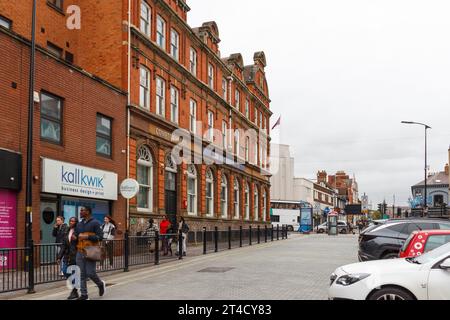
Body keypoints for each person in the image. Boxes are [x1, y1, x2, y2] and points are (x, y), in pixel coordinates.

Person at [74, 206, 106, 300]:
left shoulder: (95, 222)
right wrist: (75, 237)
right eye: (80, 210)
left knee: (90, 273)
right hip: (80, 251)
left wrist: (87, 237)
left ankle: (100, 284)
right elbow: (76, 234)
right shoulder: (79, 224)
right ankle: (84, 295)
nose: (80, 212)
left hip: (91, 250)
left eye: (82, 210)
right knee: (82, 274)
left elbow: (100, 237)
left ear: (88, 212)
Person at [57, 217, 79, 300]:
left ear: (76, 222)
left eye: (73, 221)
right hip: (67, 256)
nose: (71, 222)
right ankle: (75, 286)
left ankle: (75, 291)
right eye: (70, 221)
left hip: (76, 256)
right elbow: (63, 245)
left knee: (74, 273)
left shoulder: (79, 231)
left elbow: (83, 242)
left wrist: (77, 239)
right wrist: (59, 257)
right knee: (65, 271)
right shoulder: (67, 230)